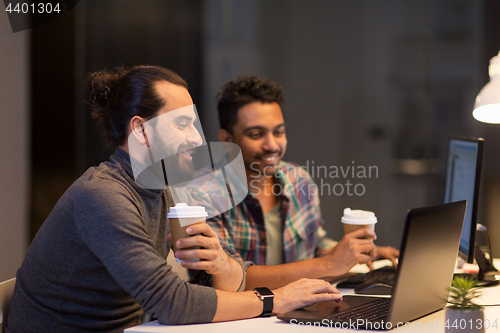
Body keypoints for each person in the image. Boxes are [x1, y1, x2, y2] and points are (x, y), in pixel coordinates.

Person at [5, 66, 342, 333]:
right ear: (140, 130)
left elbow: (219, 282)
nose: (197, 138)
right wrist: (276, 299)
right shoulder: (103, 195)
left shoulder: (165, 187)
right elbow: (172, 303)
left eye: (194, 124)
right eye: (182, 124)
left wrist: (221, 264)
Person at [189, 75, 399, 290]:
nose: (271, 145)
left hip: (299, 310)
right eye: (256, 134)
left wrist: (353, 252)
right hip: (238, 318)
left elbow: (315, 246)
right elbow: (228, 279)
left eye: (278, 132)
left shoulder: (298, 179)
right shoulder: (201, 195)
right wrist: (329, 264)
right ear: (227, 140)